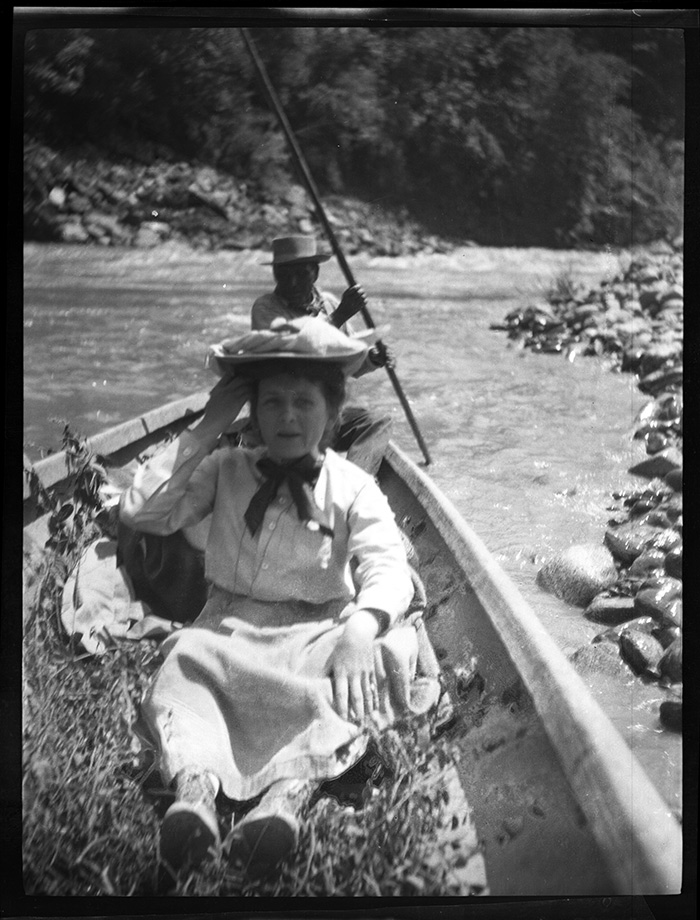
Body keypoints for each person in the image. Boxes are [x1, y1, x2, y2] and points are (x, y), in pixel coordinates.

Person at [119, 317, 439, 879]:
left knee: (366, 669)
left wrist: (360, 630)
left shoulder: (353, 485)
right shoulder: (223, 469)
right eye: (271, 403)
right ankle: (195, 795)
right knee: (184, 669)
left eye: (303, 403)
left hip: (316, 638)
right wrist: (211, 421)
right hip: (227, 633)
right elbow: (143, 512)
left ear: (332, 411)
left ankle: (283, 801)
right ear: (253, 411)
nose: (287, 418)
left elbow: (386, 566)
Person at [250, 235, 394, 478]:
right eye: (284, 275)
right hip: (285, 415)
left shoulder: (328, 303)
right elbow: (294, 352)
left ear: (315, 274)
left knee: (378, 422)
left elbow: (349, 361)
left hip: (325, 414)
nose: (292, 283)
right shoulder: (266, 308)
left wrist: (372, 359)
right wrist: (338, 317)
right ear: (275, 275)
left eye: (301, 274)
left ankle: (357, 486)